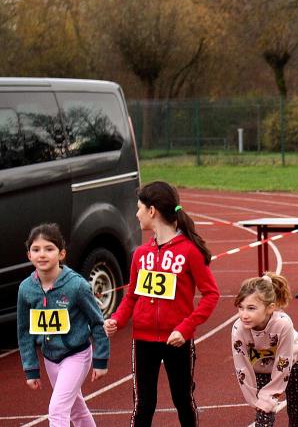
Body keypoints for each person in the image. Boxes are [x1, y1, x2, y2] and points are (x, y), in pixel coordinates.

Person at [104, 181, 220, 426]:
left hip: (177, 340)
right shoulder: (140, 254)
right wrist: (117, 319)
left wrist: (185, 328)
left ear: (152, 210)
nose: (136, 214)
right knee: (144, 405)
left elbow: (211, 295)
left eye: (139, 208)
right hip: (143, 340)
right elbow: (132, 296)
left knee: (183, 401)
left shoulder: (189, 252)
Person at [16, 223, 109, 427]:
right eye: (36, 249)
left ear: (61, 253)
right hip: (51, 358)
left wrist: (101, 359)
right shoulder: (26, 289)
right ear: (29, 255)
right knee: (76, 409)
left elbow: (96, 321)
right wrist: (30, 368)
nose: (42, 254)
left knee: (57, 409)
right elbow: (24, 332)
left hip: (77, 354)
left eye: (49, 249)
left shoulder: (77, 286)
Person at [232, 273, 298, 427]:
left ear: (270, 308)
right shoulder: (238, 328)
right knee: (263, 419)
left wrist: (268, 397)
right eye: (241, 307)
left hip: (292, 364)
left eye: (251, 308)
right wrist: (254, 400)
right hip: (261, 369)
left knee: (297, 410)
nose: (244, 315)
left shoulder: (283, 324)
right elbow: (242, 367)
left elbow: (283, 363)